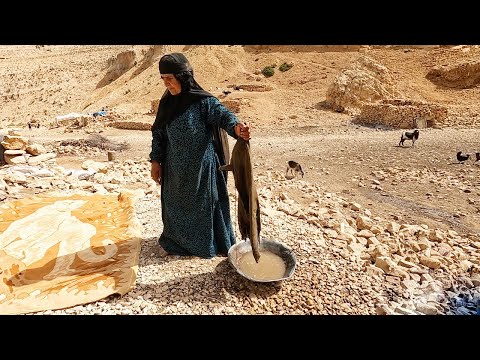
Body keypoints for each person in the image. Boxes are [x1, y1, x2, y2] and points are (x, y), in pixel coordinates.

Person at [149, 53, 251, 258]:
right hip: (175, 169)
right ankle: (177, 242)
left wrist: (237, 128)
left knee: (203, 206)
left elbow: (224, 115)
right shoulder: (166, 104)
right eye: (163, 79)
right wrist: (155, 161)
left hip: (201, 169)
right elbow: (158, 134)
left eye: (170, 78)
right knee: (176, 208)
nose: (166, 83)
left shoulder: (202, 101)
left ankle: (206, 245)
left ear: (183, 77)